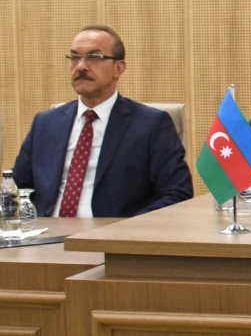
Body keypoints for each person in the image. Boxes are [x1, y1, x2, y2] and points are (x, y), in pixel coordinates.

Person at [12, 25, 192, 217]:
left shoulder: (150, 125)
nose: (81, 66)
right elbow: (17, 187)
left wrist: (125, 228)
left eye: (94, 57)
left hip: (115, 232)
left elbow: (177, 194)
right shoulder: (46, 123)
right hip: (48, 231)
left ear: (118, 68)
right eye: (75, 57)